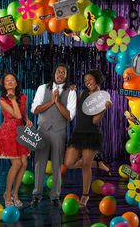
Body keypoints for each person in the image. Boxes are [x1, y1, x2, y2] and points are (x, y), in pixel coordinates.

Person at [30, 64, 77, 207]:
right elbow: (35, 110)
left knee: (57, 164)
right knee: (39, 164)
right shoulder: (42, 88)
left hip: (59, 131)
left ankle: (55, 196)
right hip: (42, 130)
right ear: (54, 73)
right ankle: (36, 195)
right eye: (58, 71)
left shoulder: (71, 92)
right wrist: (51, 101)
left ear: (66, 75)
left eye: (64, 72)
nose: (61, 74)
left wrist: (57, 103)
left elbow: (69, 116)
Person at [64, 70, 112, 207]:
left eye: (90, 79)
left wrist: (104, 109)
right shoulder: (83, 94)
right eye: (85, 80)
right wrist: (71, 92)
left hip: (91, 134)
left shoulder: (102, 98)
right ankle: (97, 164)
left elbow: (95, 122)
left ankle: (85, 196)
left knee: (85, 165)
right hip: (78, 133)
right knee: (69, 163)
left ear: (97, 80)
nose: (87, 82)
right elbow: (74, 106)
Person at [0, 73, 32, 208]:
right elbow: (16, 115)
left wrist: (27, 120)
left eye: (12, 80)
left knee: (24, 163)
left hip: (20, 131)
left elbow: (22, 114)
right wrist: (13, 100)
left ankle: (15, 194)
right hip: (8, 133)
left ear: (16, 83)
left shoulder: (24, 97)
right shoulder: (2, 100)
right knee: (17, 164)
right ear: (3, 85)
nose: (9, 81)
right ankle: (7, 194)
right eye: (6, 80)